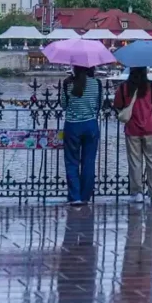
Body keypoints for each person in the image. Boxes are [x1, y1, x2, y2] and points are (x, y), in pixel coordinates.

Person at [112, 67, 152, 204]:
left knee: (135, 162)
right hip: (149, 128)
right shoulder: (151, 86)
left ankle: (137, 192)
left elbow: (117, 104)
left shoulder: (124, 87)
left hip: (132, 129)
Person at [62, 66, 102, 206]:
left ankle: (75, 196)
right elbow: (100, 104)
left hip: (72, 125)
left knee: (72, 161)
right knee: (89, 161)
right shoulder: (97, 83)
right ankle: (85, 196)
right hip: (90, 124)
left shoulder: (68, 83)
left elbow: (63, 104)